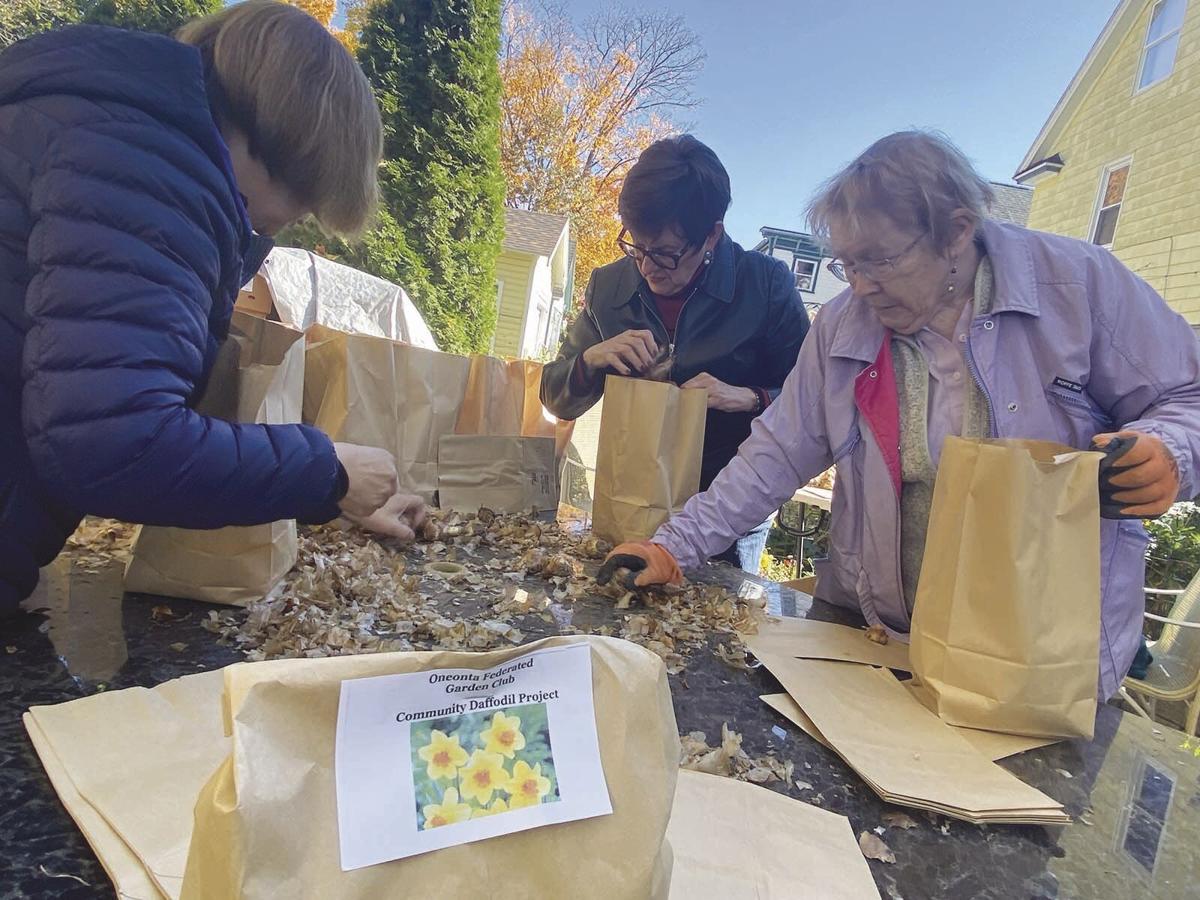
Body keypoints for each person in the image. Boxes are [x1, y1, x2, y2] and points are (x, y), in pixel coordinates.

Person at [601, 130, 1200, 699]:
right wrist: (673, 546)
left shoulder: (1079, 287)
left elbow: (1188, 395)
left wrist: (1169, 450)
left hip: (1038, 655)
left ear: (956, 233)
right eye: (847, 265)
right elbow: (772, 456)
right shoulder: (841, 325)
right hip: (875, 634)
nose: (860, 286)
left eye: (878, 262)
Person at [0, 1, 423, 617]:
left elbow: (76, 390)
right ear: (285, 143)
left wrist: (337, 496)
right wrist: (326, 472)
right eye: (304, 201)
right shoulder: (154, 165)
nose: (291, 225)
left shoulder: (86, 117)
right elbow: (114, 442)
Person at [540, 135, 810, 573]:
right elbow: (554, 398)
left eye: (665, 254)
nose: (646, 268)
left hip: (727, 514)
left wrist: (752, 397)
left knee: (712, 632)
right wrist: (591, 362)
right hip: (628, 500)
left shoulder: (765, 286)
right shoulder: (609, 287)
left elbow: (814, 405)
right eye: (636, 246)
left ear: (712, 236)